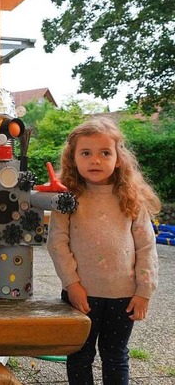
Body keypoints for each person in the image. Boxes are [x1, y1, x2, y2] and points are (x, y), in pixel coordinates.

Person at [47, 117, 160, 385]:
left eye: (104, 153)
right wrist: (72, 284)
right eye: (86, 153)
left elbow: (146, 246)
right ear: (73, 158)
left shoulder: (131, 197)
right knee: (79, 354)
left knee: (115, 354)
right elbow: (57, 243)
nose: (95, 160)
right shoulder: (67, 198)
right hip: (81, 294)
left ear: (118, 158)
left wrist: (144, 291)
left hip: (123, 296)